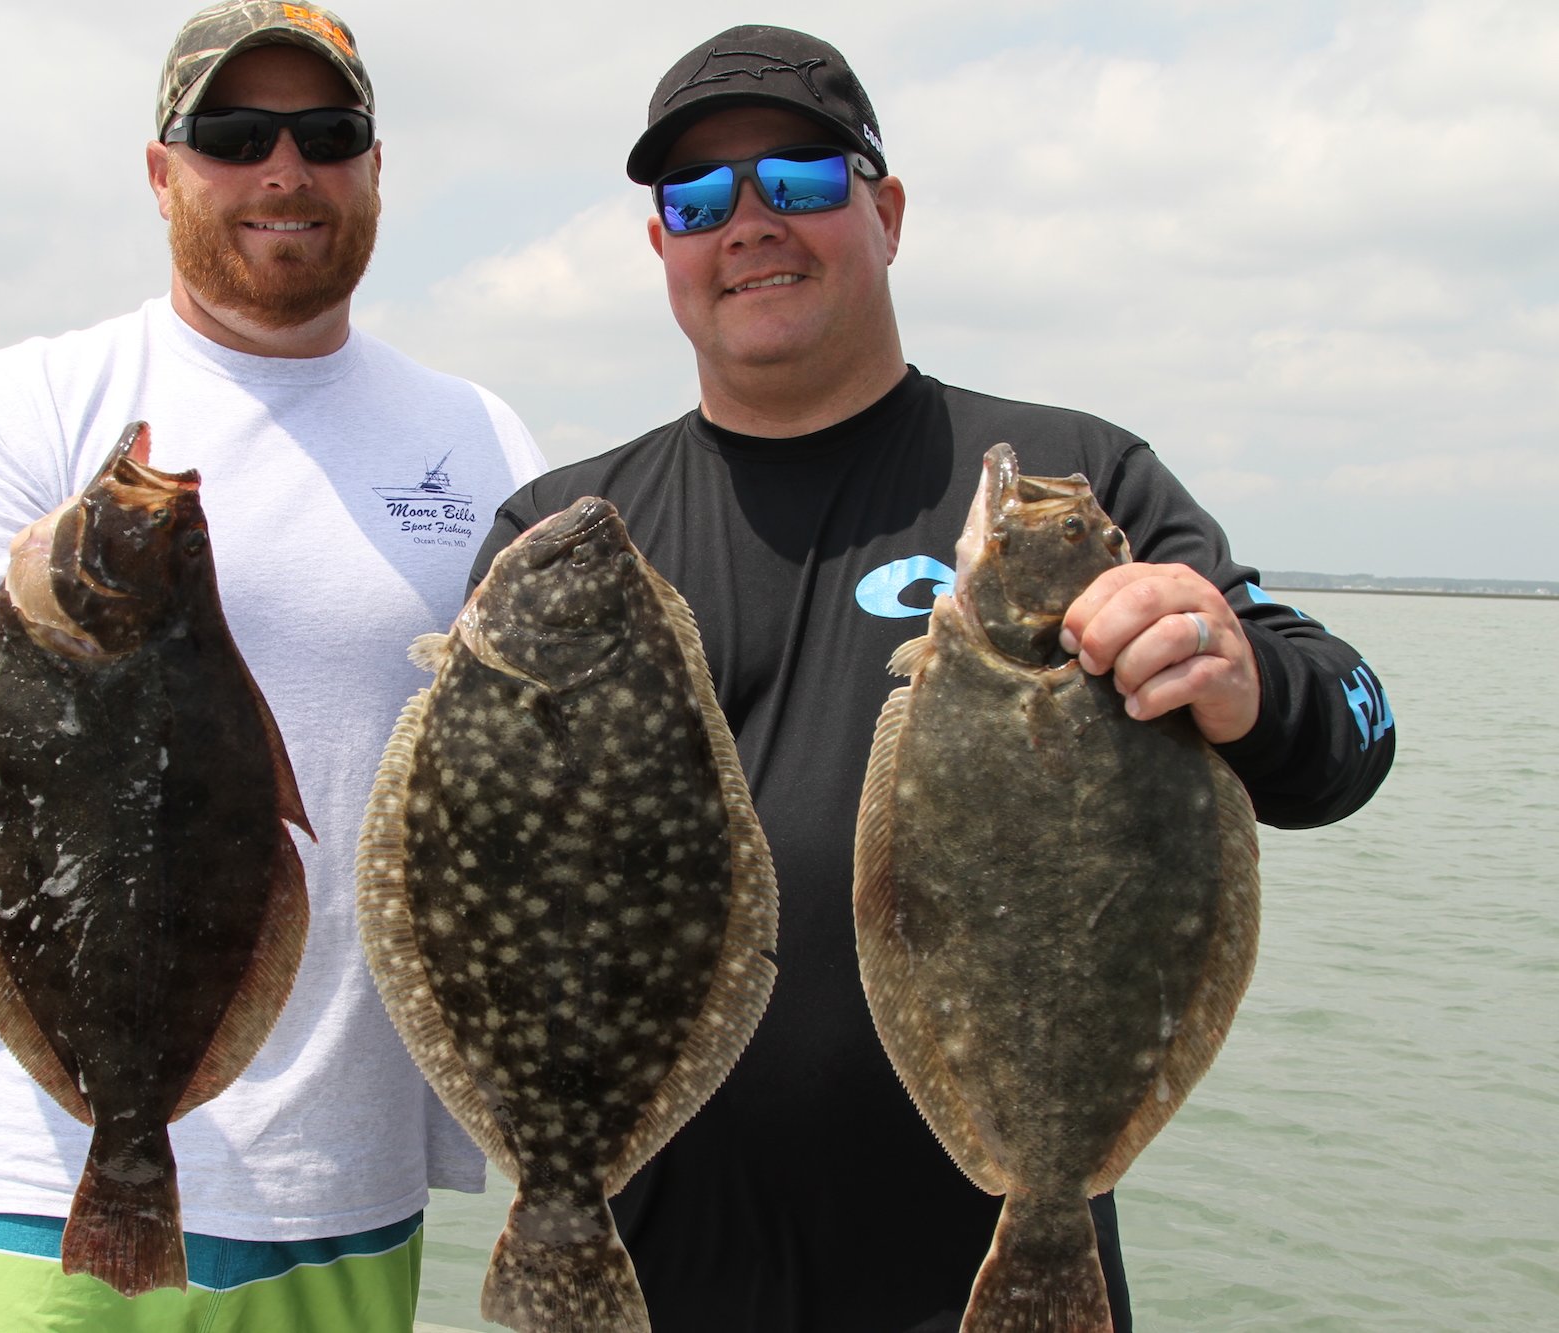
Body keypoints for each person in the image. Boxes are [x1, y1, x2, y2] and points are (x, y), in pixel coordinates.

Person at [470, 23, 1395, 1333]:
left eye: (798, 179)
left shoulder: (1080, 492)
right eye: (698, 197)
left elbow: (1358, 728)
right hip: (645, 1284)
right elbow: (468, 877)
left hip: (984, 1283)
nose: (748, 222)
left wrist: (1244, 683)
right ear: (661, 243)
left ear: (885, 211)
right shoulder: (561, 535)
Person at [0, 3, 544, 1329]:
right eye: (233, 135)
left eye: (325, 132)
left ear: (375, 163)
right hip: (48, 1179)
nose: (283, 170)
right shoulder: (20, 407)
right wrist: (74, 664)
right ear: (161, 167)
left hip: (348, 1187)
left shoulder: (482, 441)